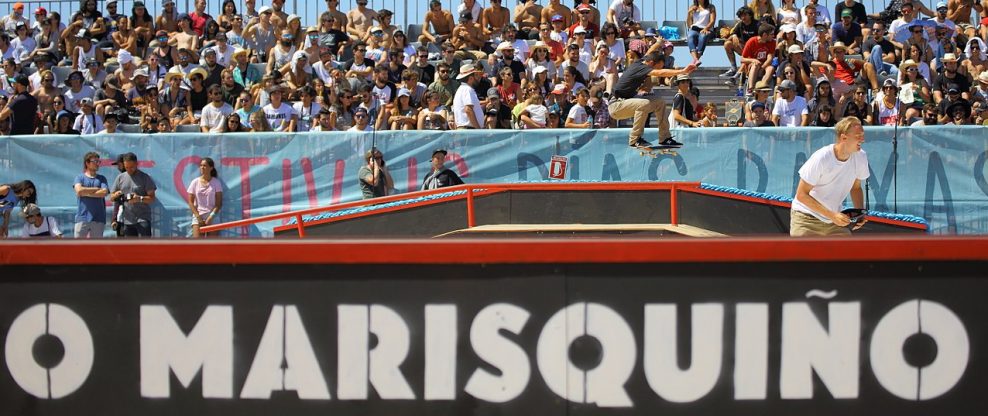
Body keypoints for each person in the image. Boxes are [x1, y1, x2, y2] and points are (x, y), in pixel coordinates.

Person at [790, 116, 869, 237]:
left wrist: (859, 213)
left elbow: (856, 187)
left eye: (862, 135)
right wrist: (832, 215)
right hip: (806, 218)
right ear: (844, 138)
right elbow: (801, 195)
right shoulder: (822, 157)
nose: (862, 139)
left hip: (834, 220)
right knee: (802, 256)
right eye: (858, 136)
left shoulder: (861, 156)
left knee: (848, 254)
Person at [610, 51, 697, 148]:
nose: (657, 71)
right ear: (651, 63)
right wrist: (682, 71)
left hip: (627, 102)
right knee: (644, 103)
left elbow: (652, 51)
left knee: (659, 102)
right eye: (658, 67)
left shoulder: (643, 61)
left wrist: (659, 43)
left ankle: (665, 138)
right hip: (616, 106)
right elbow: (660, 73)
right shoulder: (640, 67)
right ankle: (635, 139)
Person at [110, 152, 157, 237]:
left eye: (131, 167)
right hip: (127, 220)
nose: (129, 170)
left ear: (136, 164)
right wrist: (116, 195)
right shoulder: (120, 178)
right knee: (130, 248)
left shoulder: (145, 177)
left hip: (143, 218)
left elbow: (152, 198)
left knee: (146, 246)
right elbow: (111, 197)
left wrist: (139, 198)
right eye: (126, 167)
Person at [73, 152, 109, 238]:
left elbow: (104, 192)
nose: (97, 164)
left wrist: (85, 192)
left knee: (96, 248)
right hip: (82, 217)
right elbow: (79, 191)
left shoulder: (102, 178)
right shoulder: (79, 177)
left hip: (98, 218)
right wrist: (96, 189)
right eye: (95, 161)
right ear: (87, 163)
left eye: (98, 161)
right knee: (78, 247)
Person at [187, 157, 222, 237]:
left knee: (212, 246)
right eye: (201, 165)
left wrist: (210, 217)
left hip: (213, 216)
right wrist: (198, 217)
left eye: (205, 166)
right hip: (198, 215)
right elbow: (190, 202)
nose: (202, 167)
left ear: (211, 168)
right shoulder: (195, 182)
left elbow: (218, 204)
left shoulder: (216, 182)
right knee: (197, 246)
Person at [452, 63, 484, 129]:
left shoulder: (461, 89)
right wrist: (479, 129)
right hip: (469, 131)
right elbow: (468, 110)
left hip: (465, 129)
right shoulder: (468, 90)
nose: (478, 77)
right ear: (471, 78)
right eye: (476, 75)